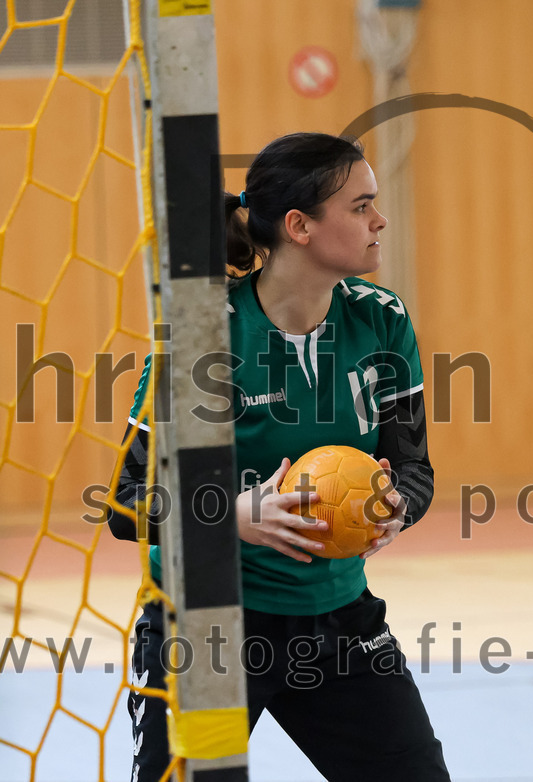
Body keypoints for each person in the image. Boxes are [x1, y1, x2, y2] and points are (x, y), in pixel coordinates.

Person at [107, 133, 450, 781]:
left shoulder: (381, 321)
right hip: (208, 626)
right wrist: (231, 516)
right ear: (300, 226)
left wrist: (395, 505)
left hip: (339, 621)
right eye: (361, 207)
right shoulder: (205, 333)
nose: (380, 221)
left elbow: (414, 471)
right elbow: (125, 504)